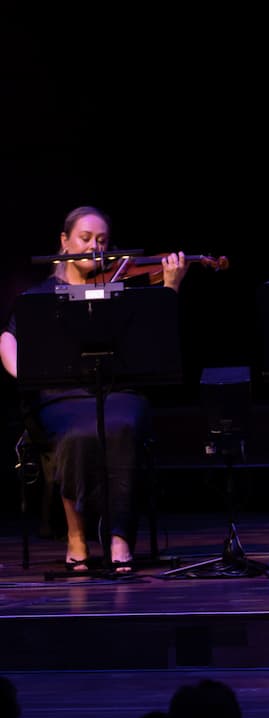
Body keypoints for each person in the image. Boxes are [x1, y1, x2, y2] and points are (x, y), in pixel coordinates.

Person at [0, 205, 188, 573]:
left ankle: (119, 537)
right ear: (65, 242)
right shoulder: (41, 296)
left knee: (123, 425)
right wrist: (27, 374)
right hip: (60, 397)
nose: (94, 247)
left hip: (117, 392)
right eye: (85, 239)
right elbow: (8, 338)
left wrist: (170, 288)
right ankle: (76, 535)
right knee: (77, 434)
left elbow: (156, 342)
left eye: (101, 240)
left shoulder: (120, 292)